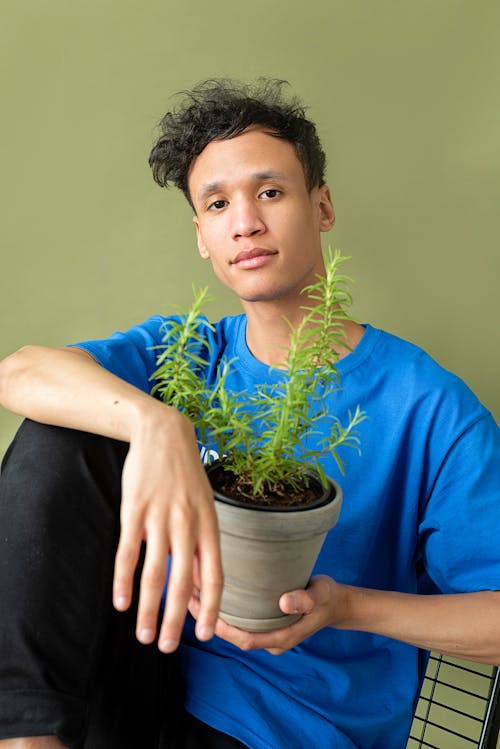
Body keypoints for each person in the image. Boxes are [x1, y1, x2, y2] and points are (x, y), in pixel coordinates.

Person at [0, 78, 499, 749]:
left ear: (321, 206)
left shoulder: (427, 403)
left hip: (292, 727)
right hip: (144, 673)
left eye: (270, 191)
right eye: (217, 203)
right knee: (65, 429)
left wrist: (347, 607)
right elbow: (19, 372)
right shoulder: (187, 350)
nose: (246, 222)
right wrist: (159, 423)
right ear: (202, 236)